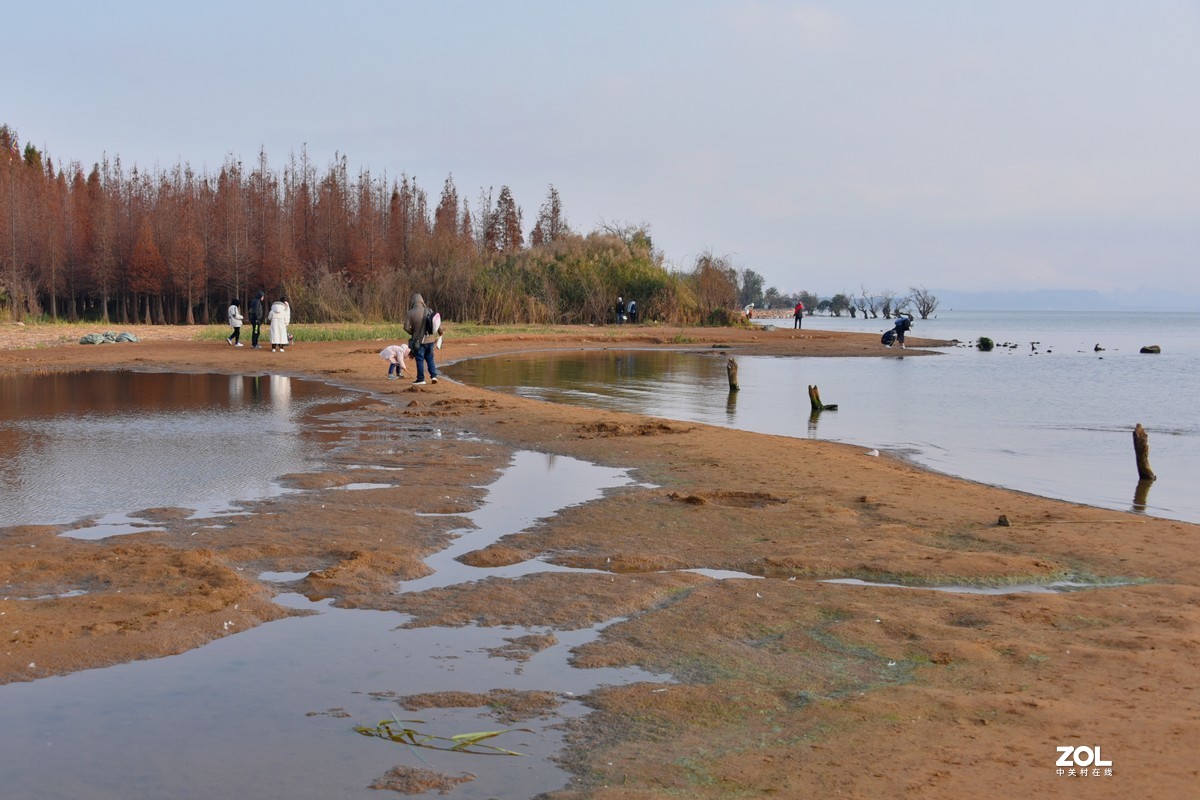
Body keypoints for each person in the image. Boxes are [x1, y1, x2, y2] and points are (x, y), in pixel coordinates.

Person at [404, 292, 440, 385]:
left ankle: (421, 379)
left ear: (413, 301)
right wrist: (439, 332)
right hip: (431, 340)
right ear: (422, 301)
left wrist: (413, 333)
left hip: (418, 341)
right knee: (430, 359)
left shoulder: (410, 313)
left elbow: (406, 327)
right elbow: (436, 322)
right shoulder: (429, 310)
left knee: (419, 359)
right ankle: (434, 376)